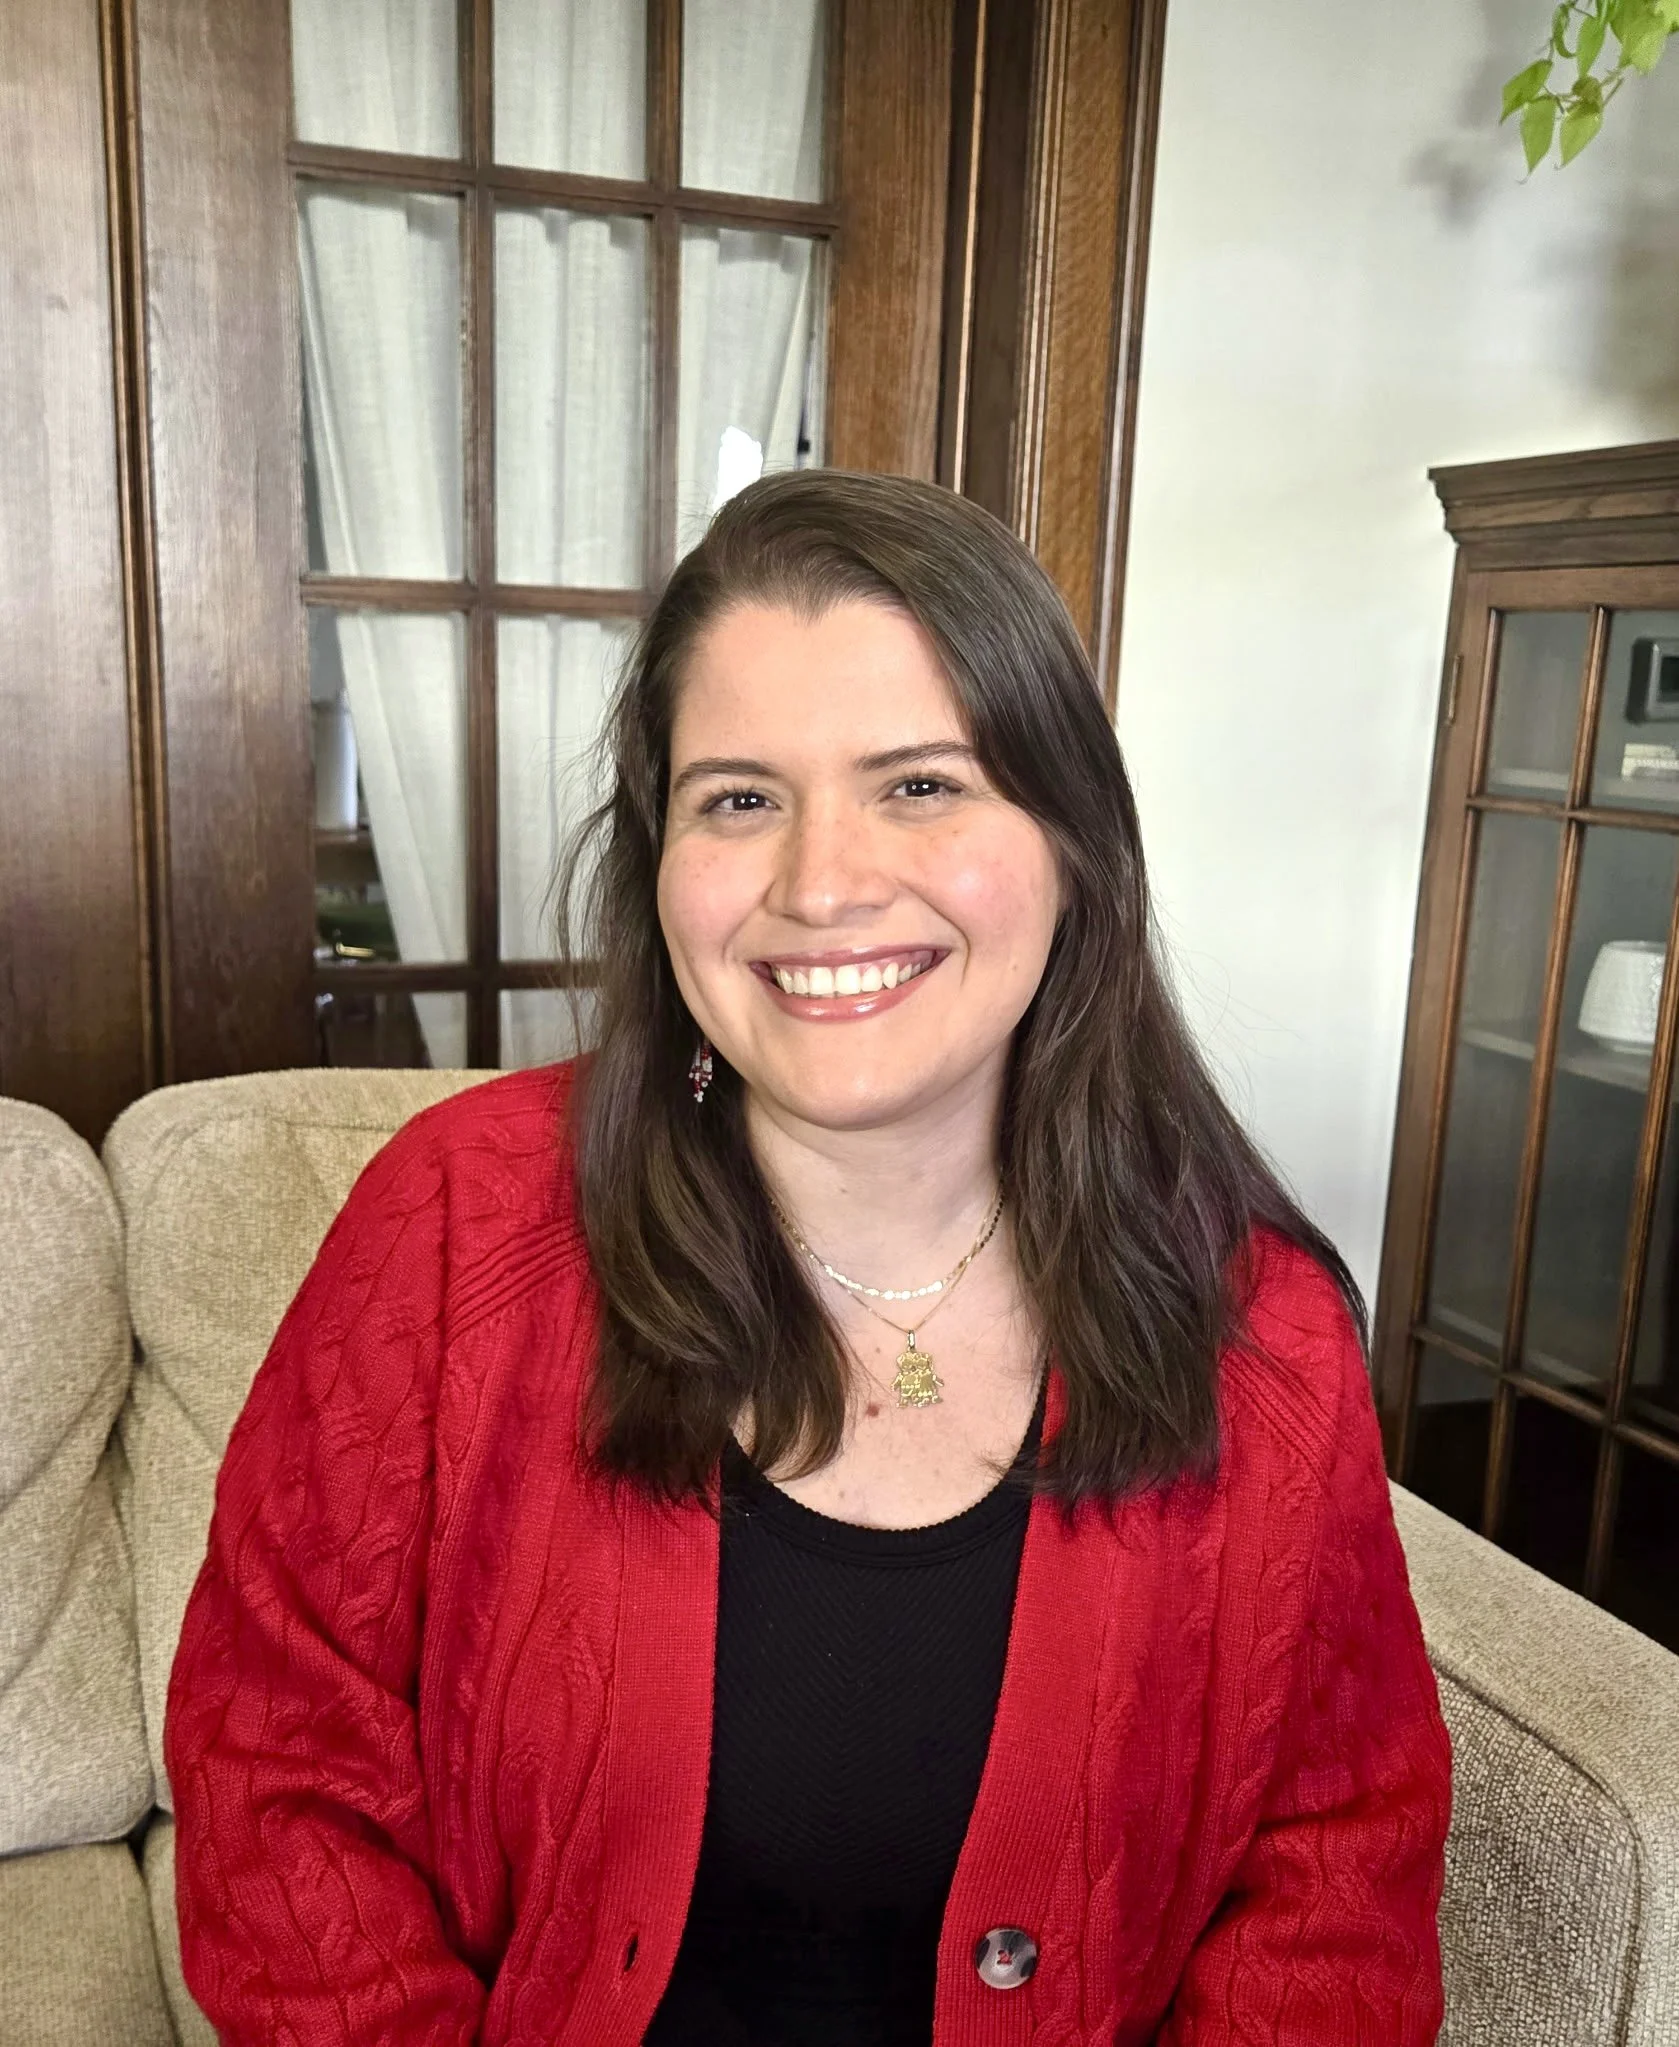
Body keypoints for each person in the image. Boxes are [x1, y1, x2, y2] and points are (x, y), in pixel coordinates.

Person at [166, 470, 1451, 2046]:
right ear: (661, 858)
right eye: (739, 797)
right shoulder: (452, 1225)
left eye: (918, 785)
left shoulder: (1265, 1330)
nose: (820, 884)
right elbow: (278, 1776)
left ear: (1070, 841)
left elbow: (1336, 1869)